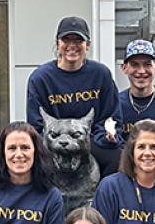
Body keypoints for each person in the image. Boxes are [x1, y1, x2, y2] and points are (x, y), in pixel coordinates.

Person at [26, 15, 123, 176]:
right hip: (54, 142)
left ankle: (104, 198)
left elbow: (110, 116)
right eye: (66, 40)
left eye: (78, 41)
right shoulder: (40, 78)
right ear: (58, 44)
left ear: (88, 45)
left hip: (90, 140)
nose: (72, 46)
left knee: (118, 157)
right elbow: (36, 124)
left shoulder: (101, 74)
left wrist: (107, 136)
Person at [118, 39, 155, 137]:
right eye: (135, 64)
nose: (141, 71)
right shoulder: (115, 104)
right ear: (124, 68)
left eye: (147, 64)